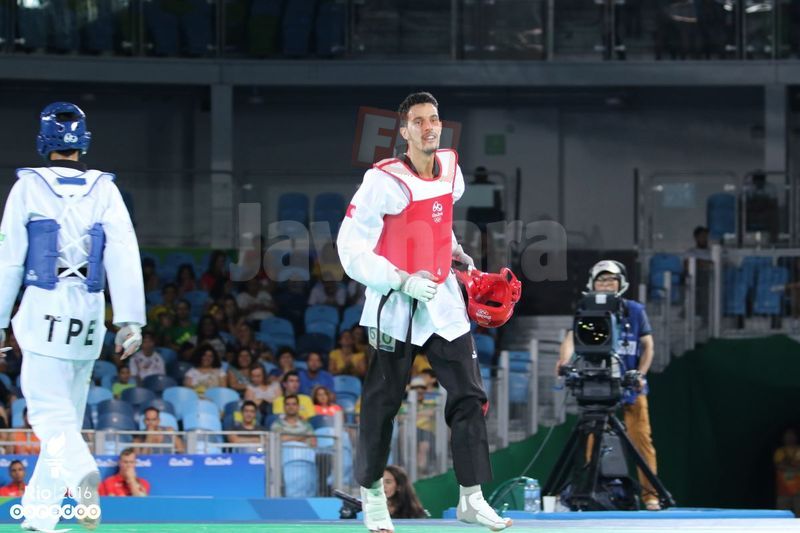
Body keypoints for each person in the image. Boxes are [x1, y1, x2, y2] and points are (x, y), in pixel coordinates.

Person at [337, 92, 510, 532]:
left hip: (442, 298)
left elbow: (438, 220)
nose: (429, 127)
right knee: (383, 403)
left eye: (434, 119)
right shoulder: (382, 180)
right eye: (418, 121)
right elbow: (350, 249)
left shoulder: (451, 169)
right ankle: (372, 495)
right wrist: (399, 279)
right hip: (394, 302)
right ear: (404, 131)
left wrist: (454, 251)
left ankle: (471, 498)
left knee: (470, 396)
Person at [0, 102, 145, 531]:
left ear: (43, 140)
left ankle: (81, 470)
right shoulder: (105, 189)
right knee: (65, 415)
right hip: (89, 315)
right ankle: (40, 514)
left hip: (45, 308)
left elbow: (9, 260)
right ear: (84, 142)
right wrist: (131, 321)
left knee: (48, 415)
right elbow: (124, 253)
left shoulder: (28, 187)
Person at [556, 259, 659, 511]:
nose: (606, 284)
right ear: (592, 283)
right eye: (601, 279)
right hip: (597, 382)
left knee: (641, 439)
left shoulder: (634, 310)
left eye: (611, 279)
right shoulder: (585, 307)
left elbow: (648, 346)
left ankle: (651, 496)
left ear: (621, 282)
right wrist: (564, 362)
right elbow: (571, 338)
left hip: (630, 386)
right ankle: (592, 491)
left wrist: (641, 374)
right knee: (592, 438)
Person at [774, 428, 800, 515]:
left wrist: (788, 466)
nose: (790, 437)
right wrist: (795, 466)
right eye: (787, 435)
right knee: (782, 515)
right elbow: (779, 466)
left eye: (792, 435)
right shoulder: (780, 452)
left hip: (798, 491)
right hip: (783, 491)